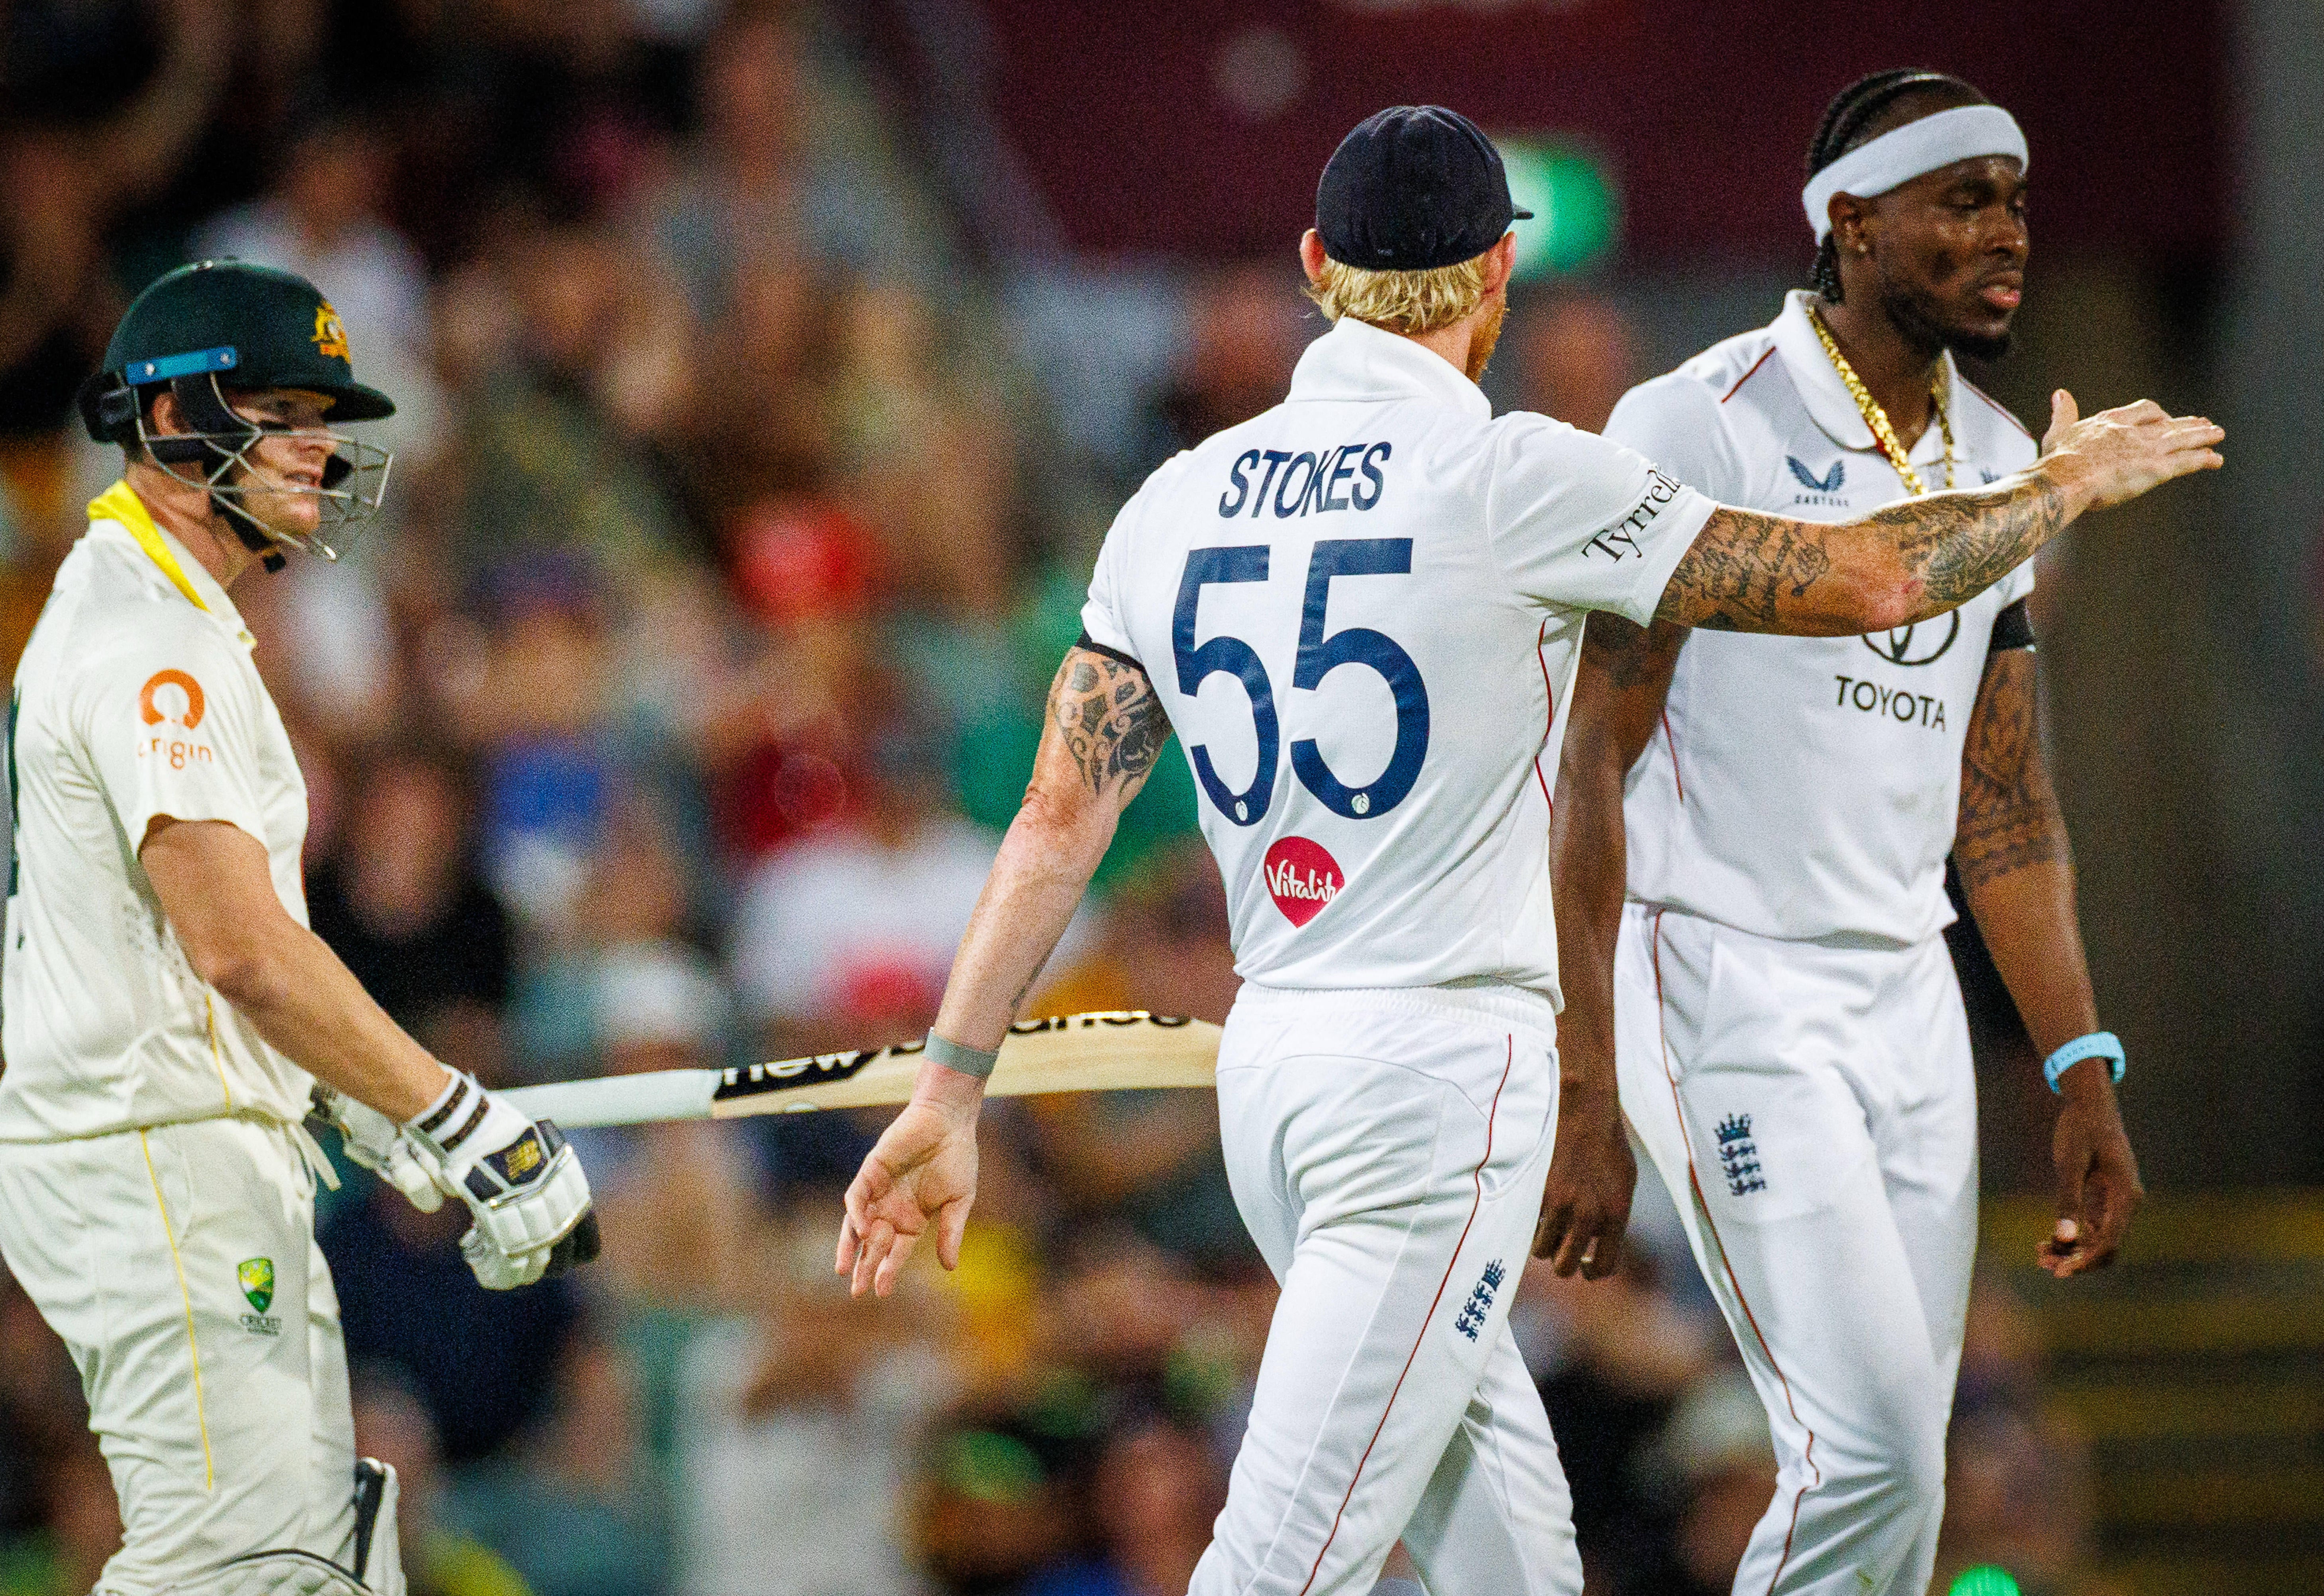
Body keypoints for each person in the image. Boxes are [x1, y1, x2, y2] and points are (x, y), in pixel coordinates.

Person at [836, 104, 2218, 1594]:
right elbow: (1874, 578)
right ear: (1498, 274)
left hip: (1277, 1089)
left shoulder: (1171, 506)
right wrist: (2056, 490)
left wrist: (951, 1083)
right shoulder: (1516, 481)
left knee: (1514, 1572)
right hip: (1435, 1101)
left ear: (1316, 266)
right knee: (1278, 1568)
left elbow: (1059, 822)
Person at [1545, 71, 2146, 1596]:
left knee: (1908, 1479)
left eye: (2015, 199)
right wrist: (1587, 1072)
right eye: (1964, 199)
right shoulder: (1696, 420)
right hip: (1727, 989)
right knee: (1869, 1449)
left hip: (1910, 996)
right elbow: (1587, 766)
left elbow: (2004, 805)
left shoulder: (2003, 451)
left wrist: (2080, 1064)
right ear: (1853, 223)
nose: (2006, 232)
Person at [0, 259, 597, 1596]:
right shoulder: (156, 645)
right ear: (175, 419)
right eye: (284, 409)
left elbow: (203, 969)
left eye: (325, 415)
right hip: (152, 1165)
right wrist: (452, 1115)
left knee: (325, 1561)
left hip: (177, 1155)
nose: (321, 449)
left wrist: (354, 1098)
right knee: (241, 1568)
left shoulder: (157, 616)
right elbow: (243, 950)